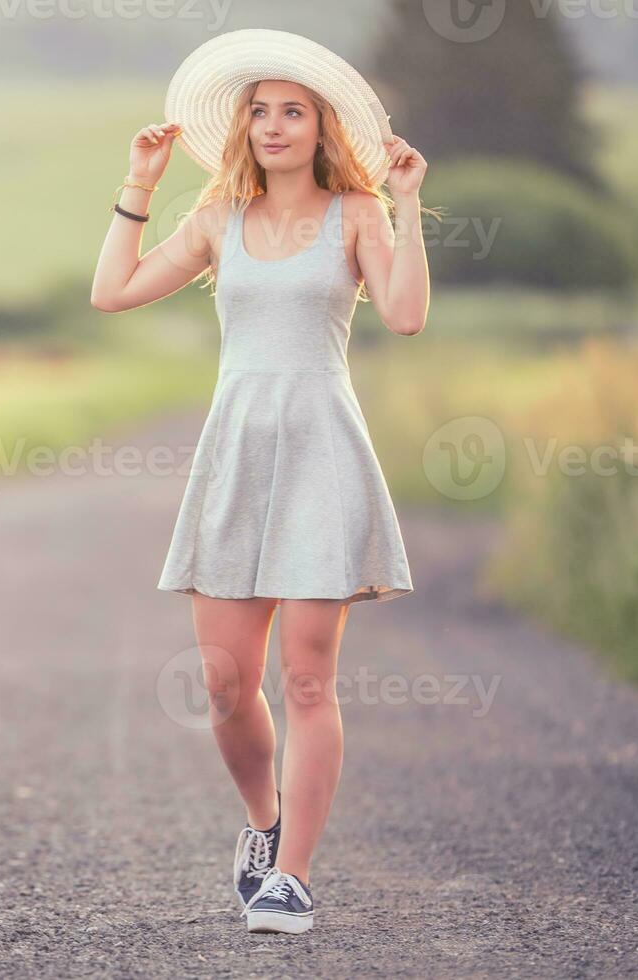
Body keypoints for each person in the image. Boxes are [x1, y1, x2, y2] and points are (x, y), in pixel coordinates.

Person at [88, 29, 430, 936]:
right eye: (260, 110)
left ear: (321, 128)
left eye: (293, 111)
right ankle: (263, 826)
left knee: (309, 679)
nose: (274, 125)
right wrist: (140, 187)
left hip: (324, 451)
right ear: (243, 125)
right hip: (236, 455)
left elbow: (404, 316)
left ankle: (294, 877)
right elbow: (111, 293)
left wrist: (406, 203)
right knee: (226, 684)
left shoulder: (359, 212)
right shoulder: (216, 222)